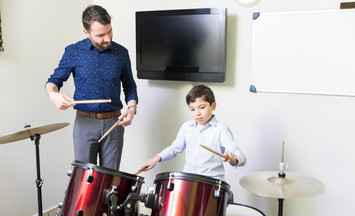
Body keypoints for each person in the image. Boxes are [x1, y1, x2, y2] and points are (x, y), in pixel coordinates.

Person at [45, 5, 138, 170]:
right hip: (84, 124)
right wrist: (53, 95)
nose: (108, 38)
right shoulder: (74, 51)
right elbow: (53, 81)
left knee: (110, 182)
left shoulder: (122, 52)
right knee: (84, 181)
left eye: (109, 31)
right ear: (86, 33)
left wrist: (132, 108)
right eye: (101, 35)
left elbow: (129, 86)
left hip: (113, 124)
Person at [137, 85, 246, 180]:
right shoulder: (186, 127)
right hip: (188, 180)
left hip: (211, 184)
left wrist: (233, 159)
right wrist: (156, 159)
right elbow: (174, 149)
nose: (197, 113)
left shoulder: (221, 130)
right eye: (192, 109)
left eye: (202, 107)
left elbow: (241, 157)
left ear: (213, 106)